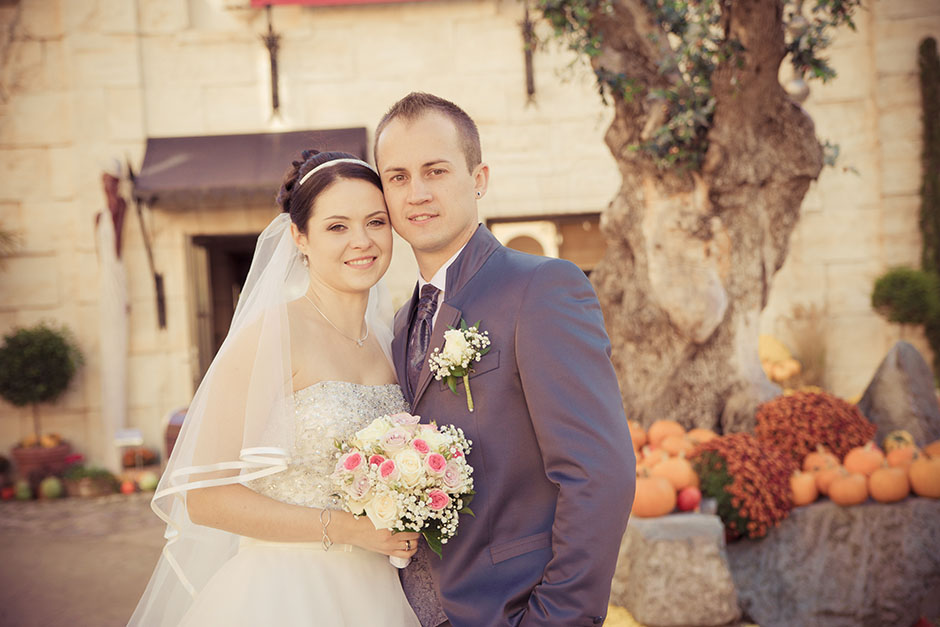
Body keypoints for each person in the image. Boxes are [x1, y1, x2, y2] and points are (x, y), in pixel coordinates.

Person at [374, 92, 636, 627]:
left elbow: (599, 473)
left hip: (516, 609)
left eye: (435, 170)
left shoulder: (542, 287)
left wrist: (557, 618)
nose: (416, 193)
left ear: (479, 178)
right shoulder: (402, 323)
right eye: (397, 177)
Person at [129, 151, 422, 626]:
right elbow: (206, 497)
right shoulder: (271, 337)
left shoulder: (393, 340)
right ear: (298, 237)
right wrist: (349, 529)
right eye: (337, 227)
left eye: (376, 221)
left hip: (384, 589)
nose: (362, 241)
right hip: (288, 593)